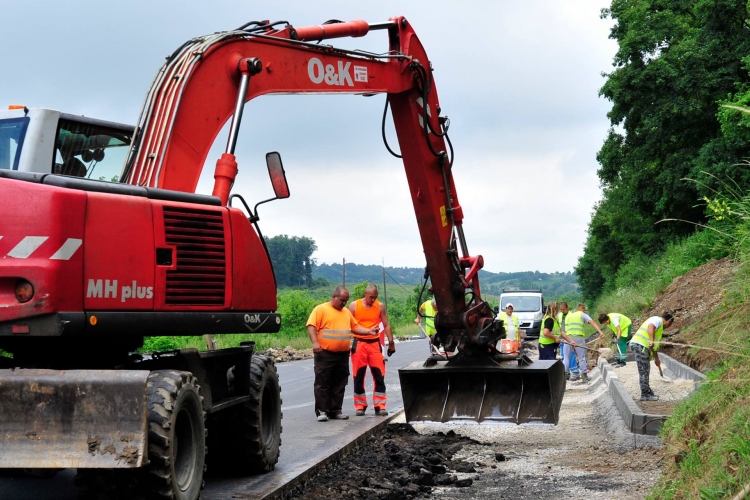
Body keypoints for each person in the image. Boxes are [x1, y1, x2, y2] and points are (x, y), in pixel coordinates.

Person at [306, 286, 379, 422]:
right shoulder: (321, 309)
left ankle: (335, 410)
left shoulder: (346, 312)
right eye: (342, 300)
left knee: (340, 382)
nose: (344, 303)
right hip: (325, 353)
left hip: (343, 355)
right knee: (323, 382)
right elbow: (311, 326)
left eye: (346, 301)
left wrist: (369, 331)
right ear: (334, 297)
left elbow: (355, 327)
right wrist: (315, 342)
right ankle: (322, 411)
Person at [349, 284, 395, 416]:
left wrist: (391, 342)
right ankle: (360, 405)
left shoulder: (380, 306)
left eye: (375, 298)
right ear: (365, 293)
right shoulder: (354, 306)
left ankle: (380, 405)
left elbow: (386, 324)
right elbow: (348, 325)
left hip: (375, 344)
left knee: (379, 375)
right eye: (371, 297)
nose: (372, 300)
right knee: (358, 375)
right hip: (359, 344)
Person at [629, 312, 674, 401]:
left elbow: (653, 346)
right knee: (644, 370)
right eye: (669, 325)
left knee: (645, 369)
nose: (668, 327)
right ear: (669, 322)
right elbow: (651, 326)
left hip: (641, 346)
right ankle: (645, 394)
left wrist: (656, 359)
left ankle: (647, 391)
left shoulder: (659, 329)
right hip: (639, 346)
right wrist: (652, 340)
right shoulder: (657, 320)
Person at [561, 303, 605, 383]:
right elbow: (593, 323)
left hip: (568, 338)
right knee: (581, 358)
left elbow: (563, 329)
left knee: (566, 357)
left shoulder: (569, 316)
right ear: (583, 309)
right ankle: (584, 376)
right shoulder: (582, 314)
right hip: (579, 338)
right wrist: (600, 332)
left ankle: (565, 376)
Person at [558, 302, 579, 379]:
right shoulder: (560, 315)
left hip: (569, 337)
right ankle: (567, 372)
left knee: (570, 355)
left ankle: (574, 372)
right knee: (563, 356)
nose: (562, 311)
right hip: (562, 338)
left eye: (563, 309)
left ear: (567, 308)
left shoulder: (571, 315)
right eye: (561, 309)